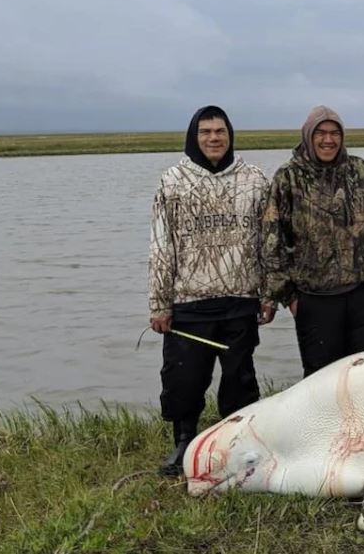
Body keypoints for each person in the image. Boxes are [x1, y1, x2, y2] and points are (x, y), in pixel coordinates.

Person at [148, 105, 272, 476]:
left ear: (230, 135)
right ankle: (184, 442)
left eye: (220, 131)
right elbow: (160, 245)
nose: (214, 138)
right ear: (194, 136)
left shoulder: (255, 179)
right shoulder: (172, 181)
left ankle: (237, 445)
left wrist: (268, 295)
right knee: (183, 380)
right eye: (205, 132)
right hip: (188, 303)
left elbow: (268, 241)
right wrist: (159, 303)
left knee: (240, 379)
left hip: (240, 300)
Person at [261, 105, 364, 377]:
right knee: (321, 379)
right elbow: (272, 239)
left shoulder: (360, 170)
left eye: (334, 133)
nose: (328, 140)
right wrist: (287, 294)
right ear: (308, 136)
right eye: (321, 133)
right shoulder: (288, 177)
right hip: (315, 300)